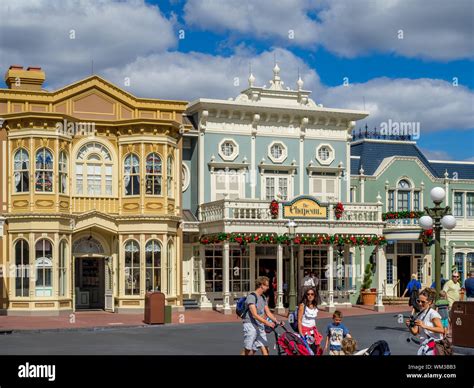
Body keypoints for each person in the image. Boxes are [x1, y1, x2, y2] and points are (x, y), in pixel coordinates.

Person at [242, 276, 282, 356]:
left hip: (260, 325)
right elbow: (255, 315)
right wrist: (267, 323)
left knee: (266, 350)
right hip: (250, 325)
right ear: (261, 285)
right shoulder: (251, 297)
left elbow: (268, 313)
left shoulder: (263, 297)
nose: (268, 287)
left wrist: (276, 321)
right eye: (266, 285)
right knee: (248, 349)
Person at [405, 288, 445, 356]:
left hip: (433, 346)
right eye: (418, 301)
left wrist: (424, 326)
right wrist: (409, 326)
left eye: (423, 302)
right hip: (424, 346)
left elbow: (441, 330)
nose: (420, 304)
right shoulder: (419, 314)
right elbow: (415, 332)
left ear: (430, 302)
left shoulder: (433, 314)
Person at [297, 287, 322, 354]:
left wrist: (316, 331)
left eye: (312, 294)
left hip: (313, 332)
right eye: (308, 294)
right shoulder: (302, 305)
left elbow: (313, 320)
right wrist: (301, 333)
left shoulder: (314, 305)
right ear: (306, 295)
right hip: (305, 333)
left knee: (314, 351)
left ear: (314, 295)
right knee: (307, 352)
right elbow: (299, 320)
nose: (310, 296)